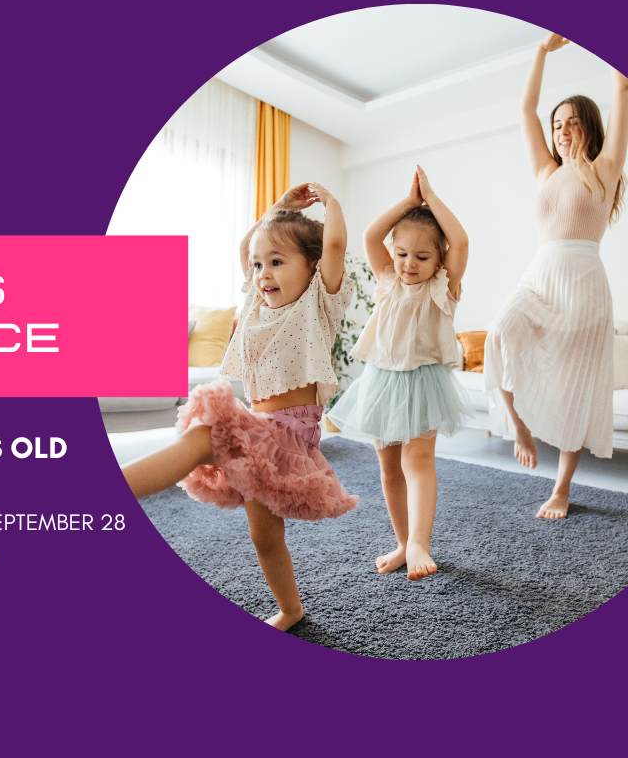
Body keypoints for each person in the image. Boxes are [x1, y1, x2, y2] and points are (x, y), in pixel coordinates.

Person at [122, 182, 359, 630]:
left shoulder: (318, 302)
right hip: (260, 426)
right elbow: (245, 248)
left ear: (312, 268)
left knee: (204, 437)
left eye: (277, 262)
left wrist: (332, 205)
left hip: (289, 433)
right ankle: (292, 609)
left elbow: (336, 244)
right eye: (258, 265)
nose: (263, 273)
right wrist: (278, 209)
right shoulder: (255, 302)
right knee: (264, 535)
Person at [483, 33, 628, 520]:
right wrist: (541, 53)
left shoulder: (605, 169)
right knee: (499, 333)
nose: (561, 130)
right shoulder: (546, 170)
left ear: (589, 126)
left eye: (571, 122)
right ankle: (520, 428)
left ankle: (561, 487)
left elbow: (622, 89)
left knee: (576, 390)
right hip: (541, 277)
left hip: (585, 285)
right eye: (557, 123)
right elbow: (526, 110)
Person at [328, 166, 472, 581]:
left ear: (438, 260)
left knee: (418, 460)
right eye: (403, 253)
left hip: (423, 384)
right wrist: (409, 203)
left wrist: (430, 195)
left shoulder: (444, 285)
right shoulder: (387, 277)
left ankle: (420, 542)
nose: (410, 263)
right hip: (381, 382)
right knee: (389, 467)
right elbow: (372, 235)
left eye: (423, 256)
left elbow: (459, 240)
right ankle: (403, 541)